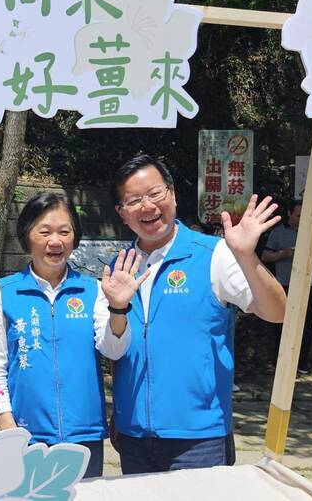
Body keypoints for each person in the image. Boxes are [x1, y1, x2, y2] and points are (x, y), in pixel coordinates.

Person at [109, 154, 286, 474]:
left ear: (172, 194)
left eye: (154, 194)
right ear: (122, 214)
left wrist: (246, 255)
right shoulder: (119, 267)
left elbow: (277, 312)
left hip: (198, 440)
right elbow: (116, 345)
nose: (147, 207)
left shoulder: (213, 254)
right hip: (133, 437)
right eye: (134, 200)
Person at [0, 193, 145, 478]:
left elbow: (113, 349)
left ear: (75, 238)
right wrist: (5, 419)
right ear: (27, 236)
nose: (55, 241)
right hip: (25, 433)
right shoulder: (5, 291)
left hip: (83, 433)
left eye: (65, 231)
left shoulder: (92, 290)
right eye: (45, 231)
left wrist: (119, 308)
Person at [261, 199, 312, 375]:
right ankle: (280, 362)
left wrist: (306, 255)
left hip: (306, 284)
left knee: (306, 324)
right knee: (281, 323)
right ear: (288, 213)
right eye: (297, 215)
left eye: (303, 215)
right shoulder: (277, 233)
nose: (300, 218)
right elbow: (265, 255)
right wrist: (285, 253)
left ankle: (302, 363)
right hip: (283, 284)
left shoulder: (310, 231)